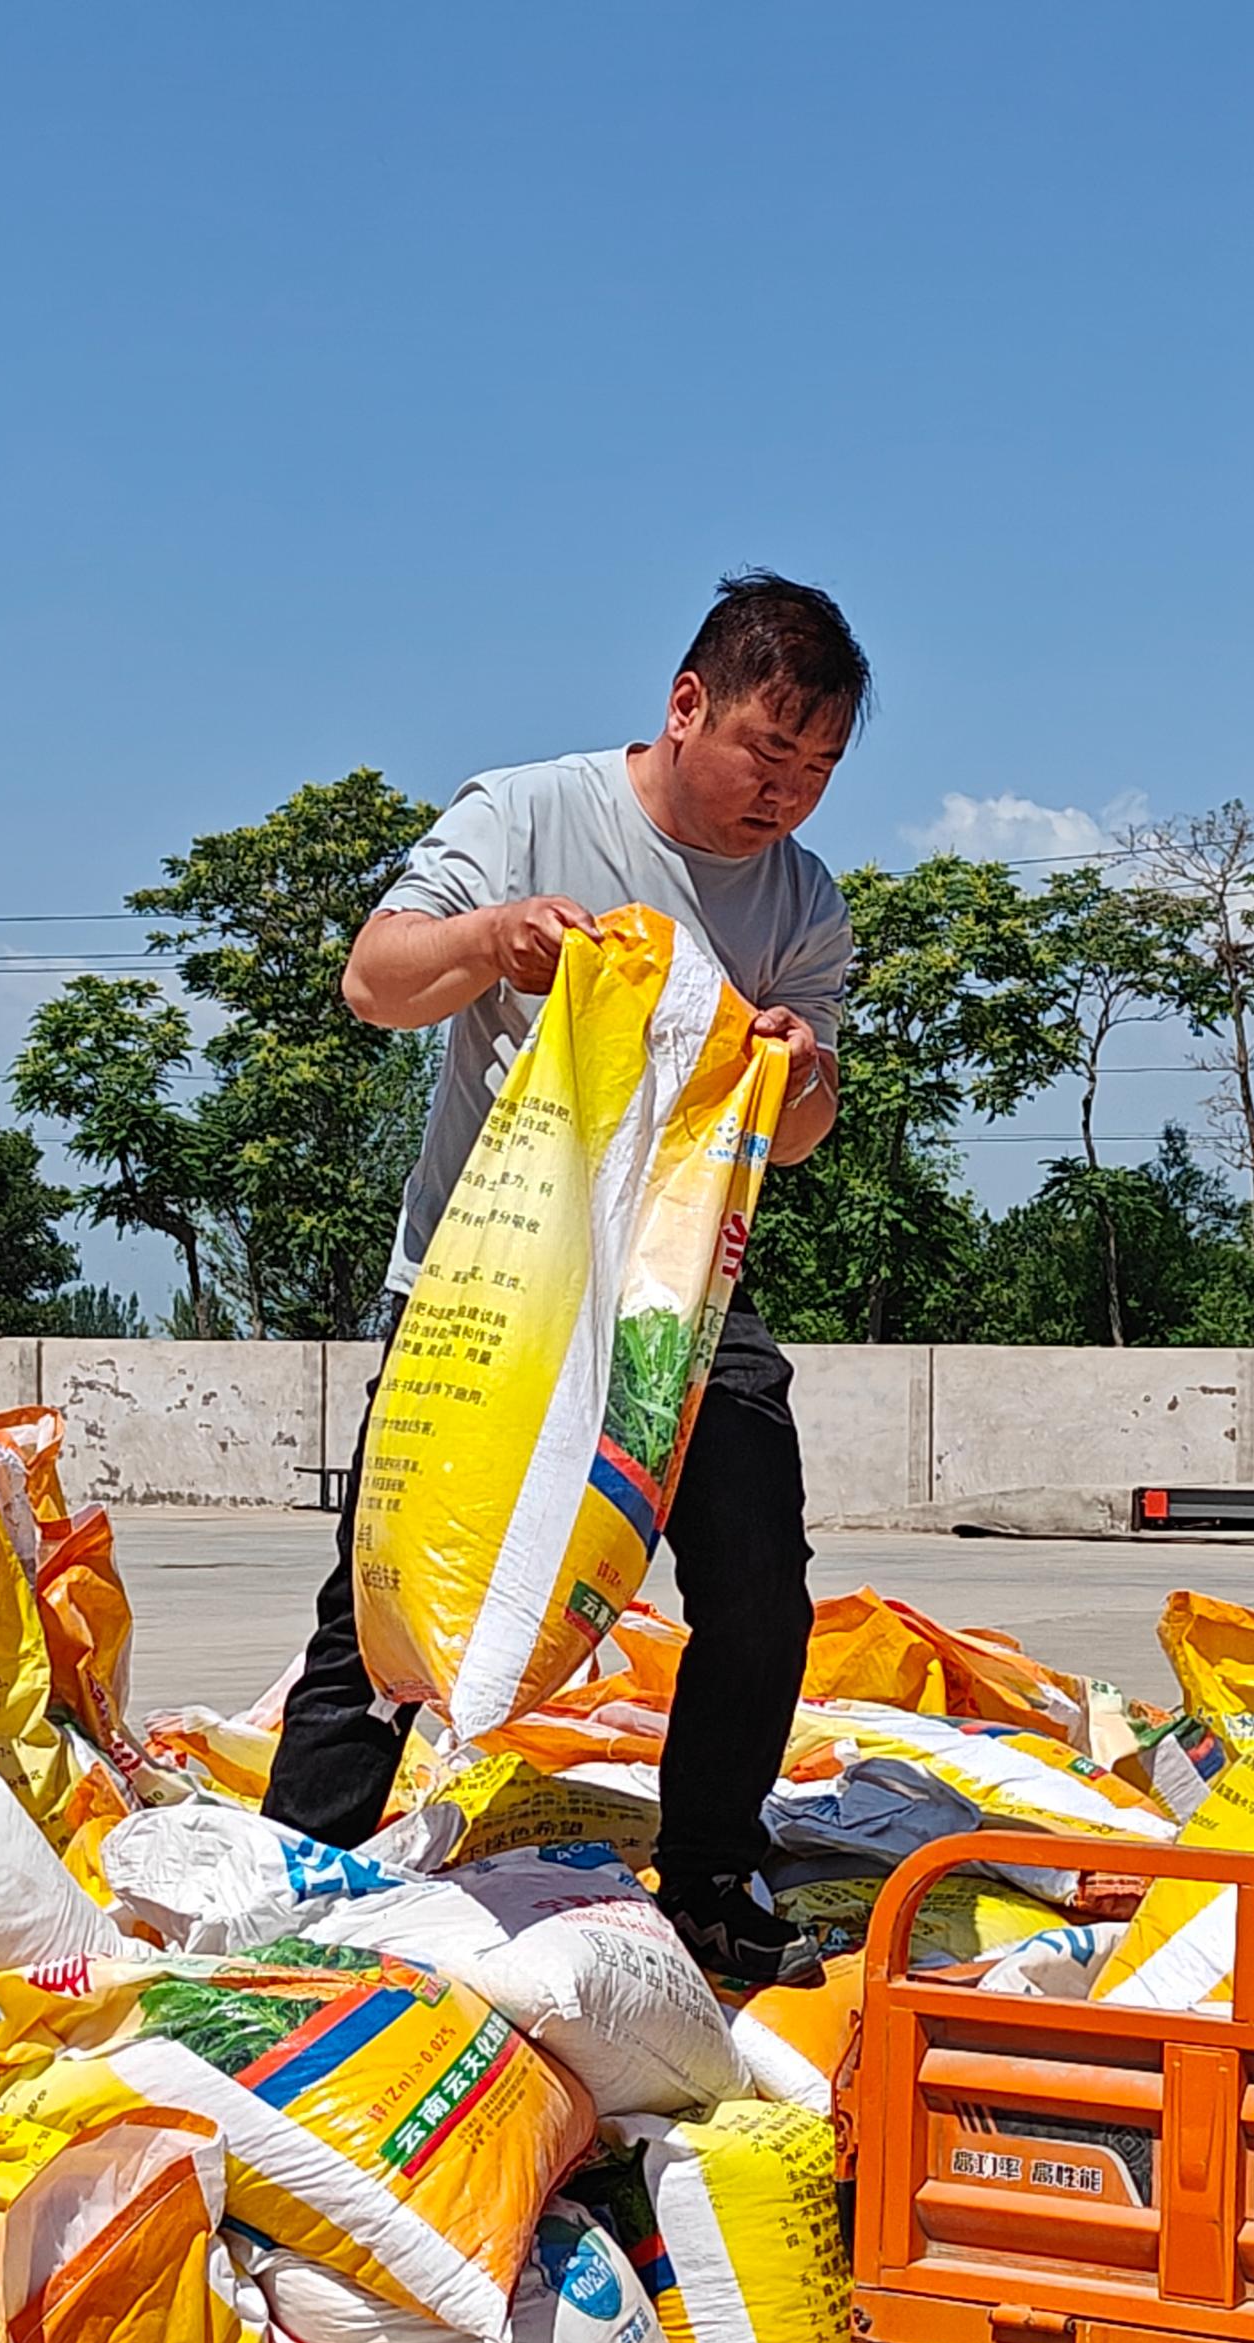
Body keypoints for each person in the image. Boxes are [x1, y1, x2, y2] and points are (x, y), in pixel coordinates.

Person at [262, 570, 869, 1986]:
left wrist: (799, 1072)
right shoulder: (526, 814)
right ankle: (303, 1881)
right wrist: (492, 941)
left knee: (759, 1586)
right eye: (767, 755)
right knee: (385, 1604)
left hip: (678, 1297)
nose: (786, 796)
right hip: (489, 1291)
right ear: (686, 702)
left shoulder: (802, 901)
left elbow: (801, 1134)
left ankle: (715, 1872)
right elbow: (374, 979)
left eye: (821, 771)